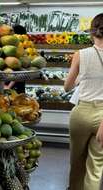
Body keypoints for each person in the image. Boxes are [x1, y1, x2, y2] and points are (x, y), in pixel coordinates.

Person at [64, 13, 103, 190]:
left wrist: (80, 78)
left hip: (81, 113)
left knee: (77, 162)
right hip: (102, 117)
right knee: (95, 168)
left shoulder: (81, 54)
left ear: (92, 32)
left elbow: (67, 87)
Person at [5, 24, 27, 93]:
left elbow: (19, 70)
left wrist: (8, 86)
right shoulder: (24, 46)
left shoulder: (18, 48)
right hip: (17, 84)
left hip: (11, 84)